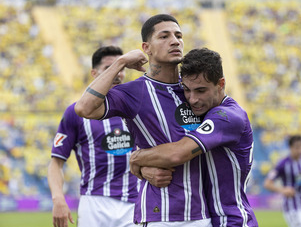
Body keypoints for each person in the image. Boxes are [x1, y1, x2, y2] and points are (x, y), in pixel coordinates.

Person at [74, 14, 211, 226]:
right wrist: (121, 62)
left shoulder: (197, 89)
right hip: (159, 215)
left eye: (178, 35)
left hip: (204, 214)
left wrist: (137, 162)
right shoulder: (133, 92)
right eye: (164, 36)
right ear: (146, 48)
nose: (175, 41)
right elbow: (84, 108)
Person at [130, 48, 258, 227]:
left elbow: (178, 153)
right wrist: (144, 171)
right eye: (187, 90)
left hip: (232, 221)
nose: (192, 99)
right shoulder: (200, 111)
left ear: (221, 84)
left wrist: (137, 158)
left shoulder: (227, 116)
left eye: (200, 90)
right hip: (205, 220)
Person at [48, 46, 139, 227]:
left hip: (135, 201)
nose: (117, 74)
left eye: (121, 68)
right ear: (94, 73)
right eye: (109, 68)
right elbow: (56, 162)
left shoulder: (138, 108)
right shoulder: (75, 113)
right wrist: (58, 198)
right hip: (94, 203)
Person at [264, 135, 301, 227]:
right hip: (291, 206)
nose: (300, 150)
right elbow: (267, 183)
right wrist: (283, 190)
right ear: (290, 148)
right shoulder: (283, 163)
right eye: (297, 147)